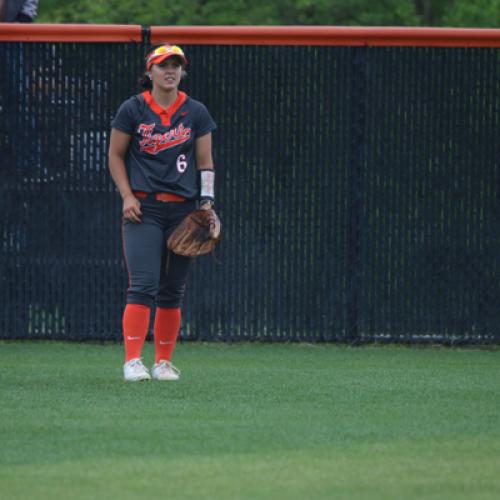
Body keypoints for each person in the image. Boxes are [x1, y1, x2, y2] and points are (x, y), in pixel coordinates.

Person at [108, 44, 217, 382]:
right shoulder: (133, 108)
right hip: (144, 208)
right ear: (150, 71)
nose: (170, 70)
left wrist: (207, 204)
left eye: (176, 65)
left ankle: (163, 362)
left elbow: (205, 164)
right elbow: (115, 155)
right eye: (163, 65)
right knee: (143, 284)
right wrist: (127, 196)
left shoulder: (195, 112)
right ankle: (132, 361)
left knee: (173, 288)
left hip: (183, 211)